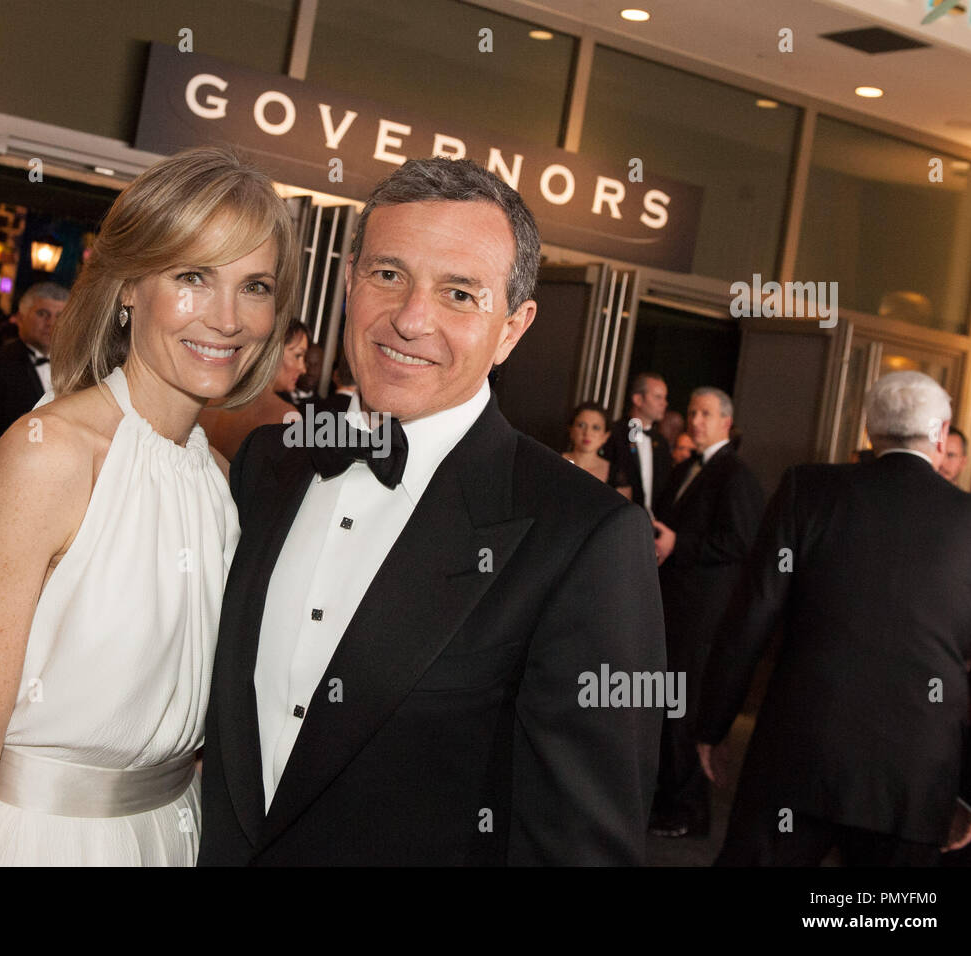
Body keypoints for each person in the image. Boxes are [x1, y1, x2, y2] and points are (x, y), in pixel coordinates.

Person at [198, 157, 666, 866]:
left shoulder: (584, 537)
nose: (412, 320)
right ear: (349, 281)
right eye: (389, 275)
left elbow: (581, 849)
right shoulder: (270, 462)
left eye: (458, 293)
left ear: (513, 327)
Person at [0, 145, 299, 867]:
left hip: (171, 836)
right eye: (192, 276)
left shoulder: (216, 478)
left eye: (255, 286)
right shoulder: (49, 453)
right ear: (128, 287)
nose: (227, 318)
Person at [697, 371, 971, 865]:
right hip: (915, 775)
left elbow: (751, 615)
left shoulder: (806, 490)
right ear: (941, 435)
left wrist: (712, 724)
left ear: (870, 432)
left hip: (799, 751)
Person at [649, 387, 764, 838]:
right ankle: (668, 800)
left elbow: (741, 543)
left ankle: (688, 810)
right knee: (664, 706)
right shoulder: (686, 468)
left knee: (683, 710)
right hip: (673, 606)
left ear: (725, 423)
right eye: (692, 411)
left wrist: (680, 544)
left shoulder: (735, 476)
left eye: (705, 413)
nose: (695, 420)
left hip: (702, 616)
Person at [0, 282, 68, 445]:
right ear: (20, 318)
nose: (51, 323)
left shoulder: (77, 369)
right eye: (42, 314)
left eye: (59, 316)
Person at [198, 318, 308, 461]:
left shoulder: (203, 398)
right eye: (298, 355)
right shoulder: (286, 417)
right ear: (273, 349)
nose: (303, 368)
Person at [604, 372, 671, 515]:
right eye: (658, 397)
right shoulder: (614, 434)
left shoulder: (662, 443)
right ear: (638, 399)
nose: (664, 403)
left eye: (665, 398)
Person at [562, 401, 631, 498]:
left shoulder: (617, 476)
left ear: (606, 436)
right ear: (571, 429)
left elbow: (624, 512)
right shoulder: (554, 462)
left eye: (596, 428)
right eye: (581, 425)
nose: (587, 433)